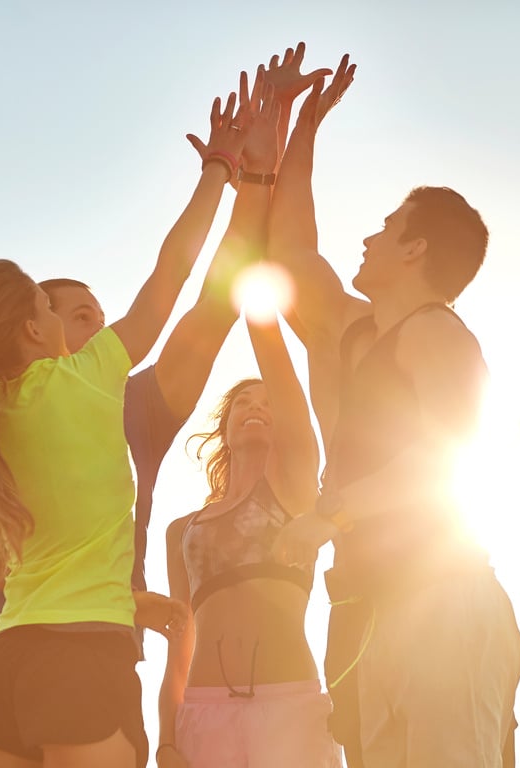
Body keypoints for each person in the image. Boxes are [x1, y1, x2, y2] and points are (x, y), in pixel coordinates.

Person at [267, 58, 520, 768]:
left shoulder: (437, 336)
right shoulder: (351, 333)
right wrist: (304, 126)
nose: (368, 238)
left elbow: (453, 456)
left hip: (442, 606)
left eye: (388, 227)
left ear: (416, 248)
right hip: (361, 612)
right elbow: (290, 253)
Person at [0, 87, 257, 768]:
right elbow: (175, 270)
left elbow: (50, 553)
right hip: (78, 661)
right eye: (49, 303)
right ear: (33, 330)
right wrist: (219, 167)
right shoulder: (90, 375)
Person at [153, 44, 341, 768]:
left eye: (268, 402)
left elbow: (268, 342)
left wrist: (280, 151)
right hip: (203, 717)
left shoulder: (296, 483)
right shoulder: (181, 530)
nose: (259, 408)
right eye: (243, 405)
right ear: (224, 427)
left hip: (294, 706)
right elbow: (179, 636)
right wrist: (169, 736)